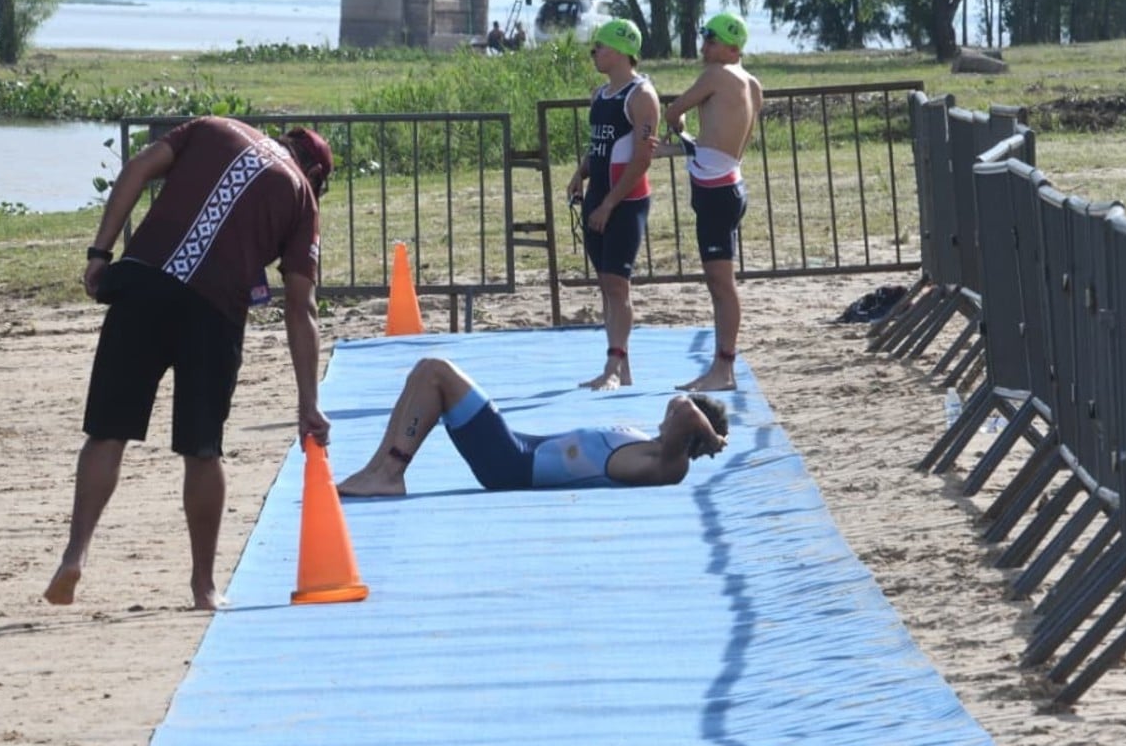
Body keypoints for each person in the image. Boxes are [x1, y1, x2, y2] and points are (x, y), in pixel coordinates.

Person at [43, 117, 334, 610]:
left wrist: (99, 253)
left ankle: (75, 554)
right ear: (314, 173)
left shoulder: (214, 128)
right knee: (202, 450)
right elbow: (300, 307)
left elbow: (136, 169)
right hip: (213, 312)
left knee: (107, 432)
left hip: (142, 284)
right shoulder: (301, 196)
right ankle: (203, 586)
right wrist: (309, 402)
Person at [336, 358, 728, 496]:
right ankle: (379, 470)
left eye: (683, 417)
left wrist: (710, 435)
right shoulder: (653, 446)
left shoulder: (668, 465)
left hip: (512, 465)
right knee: (426, 371)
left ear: (691, 434)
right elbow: (682, 410)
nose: (672, 409)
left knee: (438, 373)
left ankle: (390, 473)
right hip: (518, 450)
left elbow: (683, 407)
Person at [657, 12, 763, 392]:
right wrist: (688, 148)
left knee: (721, 284)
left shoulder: (717, 75)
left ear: (732, 46)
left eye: (711, 40)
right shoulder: (753, 83)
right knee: (720, 283)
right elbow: (730, 142)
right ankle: (723, 367)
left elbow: (673, 111)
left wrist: (679, 130)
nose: (704, 47)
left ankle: (724, 368)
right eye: (704, 39)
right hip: (729, 183)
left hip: (716, 191)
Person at [565, 18, 660, 390]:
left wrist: (609, 204)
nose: (594, 54)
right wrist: (580, 173)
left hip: (626, 201)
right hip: (597, 198)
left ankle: (612, 367)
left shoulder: (641, 96)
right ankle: (621, 365)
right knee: (606, 285)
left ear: (620, 50)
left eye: (599, 48)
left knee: (618, 286)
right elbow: (598, 145)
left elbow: (641, 158)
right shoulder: (600, 95)